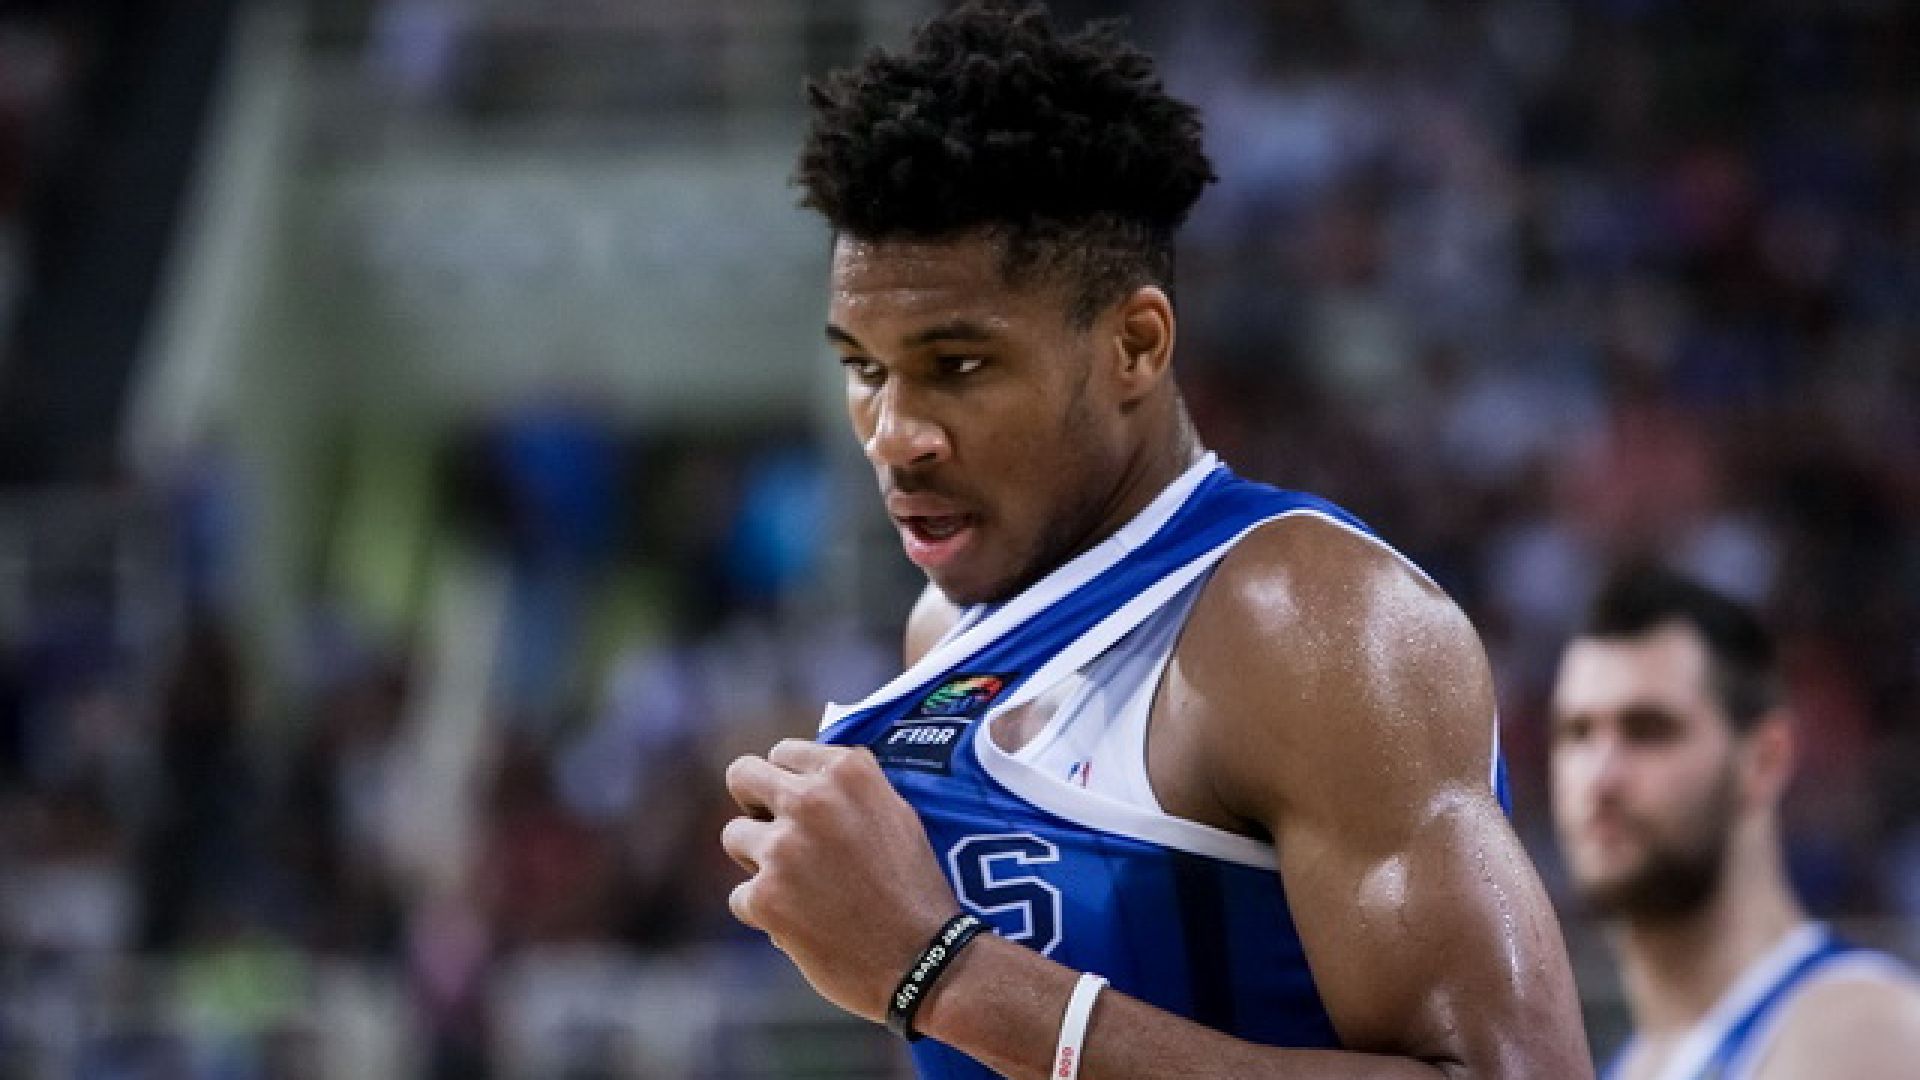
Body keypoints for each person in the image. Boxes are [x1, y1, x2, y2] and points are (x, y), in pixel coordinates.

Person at [721, 3, 1592, 1077]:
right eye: (864, 367)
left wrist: (945, 973)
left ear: (1134, 345)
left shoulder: (1306, 620)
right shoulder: (943, 627)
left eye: (958, 366)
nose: (896, 434)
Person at [1549, 564, 1920, 1080]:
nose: (1601, 776)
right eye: (1577, 733)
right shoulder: (1627, 1066)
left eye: (1648, 730)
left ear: (1765, 760)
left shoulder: (1863, 1034)